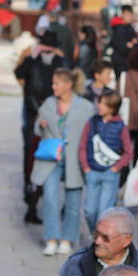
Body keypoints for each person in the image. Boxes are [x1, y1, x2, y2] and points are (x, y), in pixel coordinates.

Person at [36, 68, 96, 256]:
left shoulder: (86, 107)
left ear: (68, 85)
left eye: (57, 83)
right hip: (51, 158)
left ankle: (68, 239)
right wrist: (40, 126)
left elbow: (91, 133)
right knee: (50, 198)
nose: (53, 87)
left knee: (73, 201)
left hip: (74, 160)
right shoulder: (48, 103)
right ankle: (51, 238)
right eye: (53, 83)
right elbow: (36, 129)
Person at [15, 32, 66, 223]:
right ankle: (31, 190)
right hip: (34, 112)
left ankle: (36, 193)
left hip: (49, 115)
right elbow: (19, 74)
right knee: (32, 151)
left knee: (41, 154)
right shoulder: (34, 61)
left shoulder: (58, 63)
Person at [79, 91, 134, 235]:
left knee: (104, 213)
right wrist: (85, 167)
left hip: (110, 174)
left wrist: (116, 168)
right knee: (89, 211)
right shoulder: (92, 122)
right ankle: (95, 235)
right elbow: (83, 145)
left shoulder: (120, 126)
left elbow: (128, 152)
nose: (99, 106)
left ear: (111, 107)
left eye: (103, 103)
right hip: (92, 172)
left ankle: (100, 239)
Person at [108, 5, 137, 83]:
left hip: (127, 61)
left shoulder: (129, 27)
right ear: (122, 14)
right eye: (127, 14)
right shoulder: (118, 28)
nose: (129, 17)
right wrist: (128, 45)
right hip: (120, 61)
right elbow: (119, 45)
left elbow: (134, 40)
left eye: (131, 15)